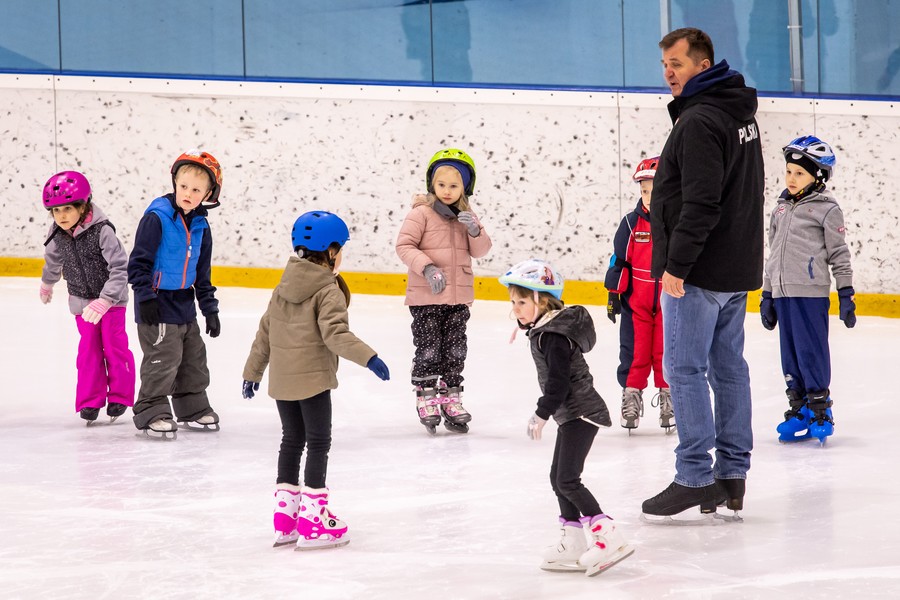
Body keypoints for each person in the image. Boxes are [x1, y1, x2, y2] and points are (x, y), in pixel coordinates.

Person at [641, 28, 765, 523]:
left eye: (677, 63)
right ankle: (731, 476)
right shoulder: (739, 112)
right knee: (728, 367)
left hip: (699, 272)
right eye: (665, 65)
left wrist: (676, 266)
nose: (669, 73)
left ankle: (693, 475)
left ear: (703, 63)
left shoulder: (698, 121)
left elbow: (701, 203)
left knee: (684, 369)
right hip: (734, 269)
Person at [241, 210, 391, 550]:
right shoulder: (327, 290)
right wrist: (370, 357)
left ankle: (285, 520)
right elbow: (336, 335)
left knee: (291, 441)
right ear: (332, 250)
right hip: (313, 381)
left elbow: (264, 333)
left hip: (282, 381)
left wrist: (253, 373)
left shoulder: (283, 287)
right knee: (318, 444)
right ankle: (314, 519)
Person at [499, 259, 632, 577]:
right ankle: (573, 540)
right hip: (572, 414)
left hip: (582, 413)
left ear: (541, 301)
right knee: (557, 478)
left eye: (521, 302)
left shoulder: (554, 337)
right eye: (513, 302)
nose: (515, 309)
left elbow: (558, 384)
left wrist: (541, 413)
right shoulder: (545, 331)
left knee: (567, 480)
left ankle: (608, 535)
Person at [761, 135, 855, 444]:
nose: (790, 178)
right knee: (789, 353)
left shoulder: (827, 209)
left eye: (799, 173)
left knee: (811, 351)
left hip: (810, 294)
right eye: (788, 171)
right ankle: (798, 407)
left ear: (818, 176)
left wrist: (845, 293)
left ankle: (820, 410)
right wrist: (767, 293)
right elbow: (773, 254)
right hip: (783, 294)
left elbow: (839, 254)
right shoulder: (780, 209)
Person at [127, 150, 224, 439]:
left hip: (184, 303)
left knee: (193, 356)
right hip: (155, 301)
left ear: (208, 193)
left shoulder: (201, 225)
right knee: (163, 356)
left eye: (196, 190)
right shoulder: (157, 218)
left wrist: (210, 309)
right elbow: (139, 263)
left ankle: (192, 407)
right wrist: (144, 297)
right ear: (174, 183)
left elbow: (203, 274)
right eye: (183, 187)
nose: (188, 193)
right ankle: (151, 408)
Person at [395, 148, 492, 434]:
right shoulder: (421, 213)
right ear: (431, 185)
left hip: (458, 297)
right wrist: (426, 267)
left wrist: (476, 230)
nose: (447, 191)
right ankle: (426, 395)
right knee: (428, 349)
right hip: (427, 296)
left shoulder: (467, 215)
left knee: (455, 350)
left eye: (453, 185)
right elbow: (404, 246)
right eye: (441, 185)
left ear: (465, 187)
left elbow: (482, 251)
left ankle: (451, 398)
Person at [40, 171, 135, 424]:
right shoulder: (57, 234)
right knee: (89, 351)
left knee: (114, 347)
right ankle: (90, 400)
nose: (61, 216)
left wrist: (106, 299)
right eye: (56, 211)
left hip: (112, 303)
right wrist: (47, 283)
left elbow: (120, 267)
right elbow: (53, 260)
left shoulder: (102, 231)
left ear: (83, 207)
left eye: (67, 209)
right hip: (82, 302)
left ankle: (120, 396)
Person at [604, 156, 673, 433]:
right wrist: (613, 294)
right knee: (635, 351)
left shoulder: (676, 223)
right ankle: (631, 395)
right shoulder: (631, 224)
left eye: (655, 192)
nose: (649, 198)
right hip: (637, 303)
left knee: (666, 352)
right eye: (644, 191)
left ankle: (670, 397)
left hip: (670, 301)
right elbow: (619, 260)